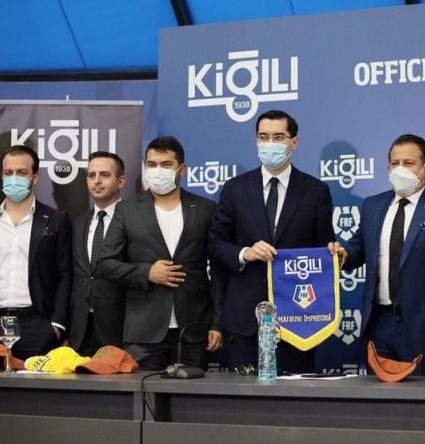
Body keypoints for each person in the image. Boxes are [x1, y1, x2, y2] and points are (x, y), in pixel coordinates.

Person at [208, 110, 336, 373]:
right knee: (243, 396)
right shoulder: (235, 189)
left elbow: (323, 252)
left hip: (298, 319)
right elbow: (216, 244)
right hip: (244, 320)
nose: (270, 143)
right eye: (263, 137)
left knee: (294, 396)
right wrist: (244, 253)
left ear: (293, 143)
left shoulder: (315, 191)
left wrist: (334, 254)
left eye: (278, 137)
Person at [342, 134, 425, 375]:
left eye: (408, 163)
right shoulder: (372, 206)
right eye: (395, 163)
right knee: (378, 397)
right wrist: (339, 254)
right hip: (378, 327)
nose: (399, 169)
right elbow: (357, 251)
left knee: (423, 398)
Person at [96, 136, 223, 370]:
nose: (157, 171)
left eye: (166, 165)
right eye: (152, 164)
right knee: (143, 393)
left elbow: (218, 271)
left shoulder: (206, 209)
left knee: (195, 392)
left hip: (194, 330)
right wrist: (146, 273)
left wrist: (216, 323)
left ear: (181, 169)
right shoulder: (127, 210)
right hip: (144, 332)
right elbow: (104, 263)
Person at [0, 145, 72, 360]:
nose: (14, 178)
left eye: (22, 172)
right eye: (8, 172)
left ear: (35, 178)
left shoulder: (56, 220)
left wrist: (57, 325)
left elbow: (65, 274)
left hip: (37, 324)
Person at [68, 152, 127, 356]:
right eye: (91, 175)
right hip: (80, 331)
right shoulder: (77, 223)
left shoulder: (135, 219)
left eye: (105, 175)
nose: (97, 181)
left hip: (120, 329)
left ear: (121, 181)